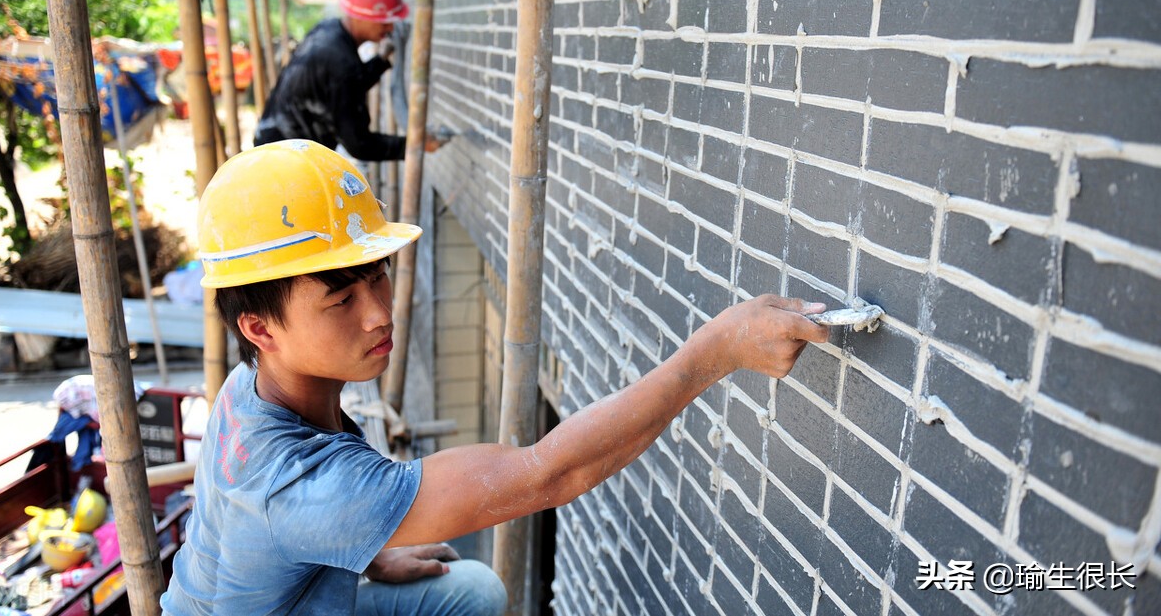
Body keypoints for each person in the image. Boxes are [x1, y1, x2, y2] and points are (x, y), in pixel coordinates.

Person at [160, 140, 829, 615]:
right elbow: (548, 474)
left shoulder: (248, 389)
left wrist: (361, 552)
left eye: (378, 275)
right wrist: (716, 351)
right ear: (260, 328)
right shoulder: (307, 487)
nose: (378, 313)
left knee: (472, 591)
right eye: (341, 300)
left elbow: (249, 530)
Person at [253, 0, 441, 160]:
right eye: (383, 21)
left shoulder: (329, 31)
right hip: (286, 162)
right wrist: (413, 145)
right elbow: (360, 144)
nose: (390, 27)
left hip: (271, 143)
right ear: (361, 17)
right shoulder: (340, 63)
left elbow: (343, 87)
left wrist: (380, 61)